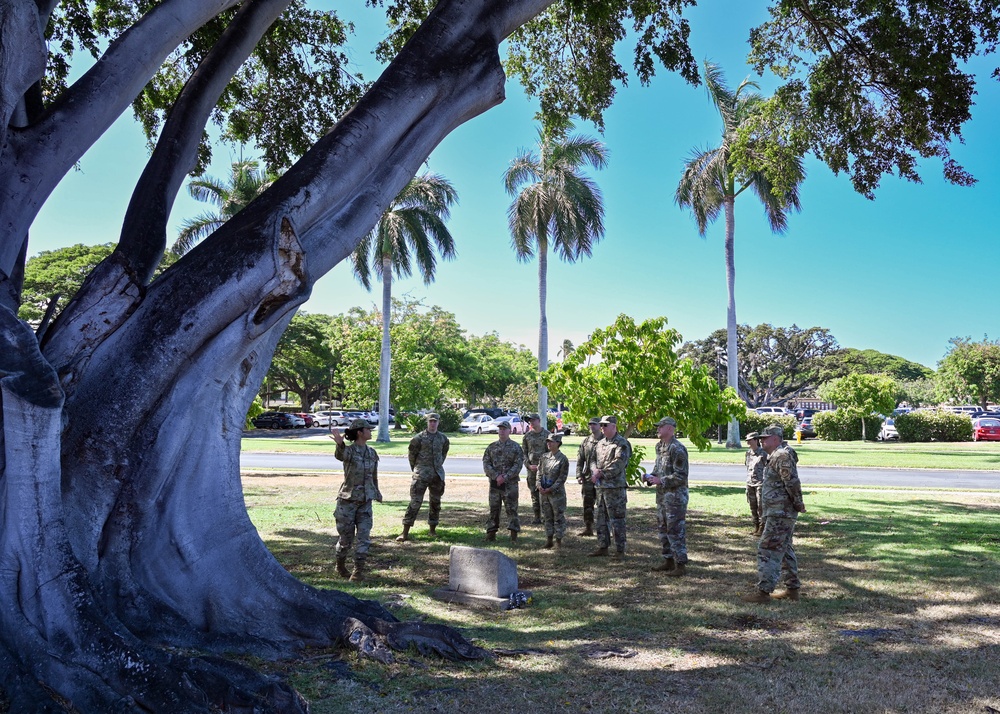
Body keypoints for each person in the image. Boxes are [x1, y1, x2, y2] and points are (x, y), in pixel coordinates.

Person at [742, 425, 807, 603]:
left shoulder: (781, 455)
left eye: (765, 438)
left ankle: (763, 592)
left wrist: (798, 503)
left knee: (767, 549)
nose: (761, 440)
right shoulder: (775, 455)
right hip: (776, 511)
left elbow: (792, 482)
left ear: (776, 439)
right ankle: (792, 590)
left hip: (781, 512)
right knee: (785, 549)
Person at [329, 418, 382, 582]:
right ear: (360, 432)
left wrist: (377, 492)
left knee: (364, 537)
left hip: (365, 502)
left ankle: (358, 571)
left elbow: (374, 476)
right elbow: (340, 456)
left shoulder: (372, 452)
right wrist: (339, 443)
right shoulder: (349, 451)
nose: (370, 432)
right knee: (346, 539)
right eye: (368, 429)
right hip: (348, 502)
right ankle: (340, 565)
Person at [646, 416, 689, 576]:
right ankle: (668, 560)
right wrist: (651, 477)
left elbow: (681, 476)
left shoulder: (677, 449)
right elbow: (659, 469)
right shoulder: (660, 446)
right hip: (662, 496)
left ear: (670, 428)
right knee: (663, 529)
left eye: (660, 426)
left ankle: (680, 565)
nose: (657, 429)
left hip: (675, 498)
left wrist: (661, 480)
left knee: (675, 530)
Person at [397, 413, 450, 542]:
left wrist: (437, 466)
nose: (433, 423)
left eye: (435, 421)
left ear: (438, 422)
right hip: (421, 475)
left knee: (435, 503)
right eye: (431, 421)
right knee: (415, 503)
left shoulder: (443, 439)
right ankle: (405, 532)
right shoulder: (418, 438)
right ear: (427, 422)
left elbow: (443, 454)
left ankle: (432, 530)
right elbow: (412, 456)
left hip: (437, 475)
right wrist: (417, 469)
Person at [588, 415, 632, 559]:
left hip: (615, 488)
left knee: (617, 520)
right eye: (601, 425)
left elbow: (619, 464)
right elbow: (593, 460)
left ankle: (620, 550)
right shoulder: (600, 443)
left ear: (614, 426)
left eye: (605, 425)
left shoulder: (621, 443)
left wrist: (601, 473)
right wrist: (594, 470)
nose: (602, 428)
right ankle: (603, 546)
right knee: (601, 519)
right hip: (601, 488)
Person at [482, 420, 524, 543]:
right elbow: (486, 463)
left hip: (510, 483)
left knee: (511, 508)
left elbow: (518, 465)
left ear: (509, 431)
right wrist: (496, 476)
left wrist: (505, 476)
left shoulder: (516, 447)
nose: (502, 431)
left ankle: (513, 535)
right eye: (500, 429)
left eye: (504, 429)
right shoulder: (492, 447)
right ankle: (491, 534)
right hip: (495, 483)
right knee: (494, 508)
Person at [537, 432, 570, 549]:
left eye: (551, 441)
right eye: (548, 441)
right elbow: (539, 473)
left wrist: (551, 488)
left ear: (558, 443)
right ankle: (549, 539)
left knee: (558, 517)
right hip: (544, 493)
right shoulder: (544, 457)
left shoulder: (562, 459)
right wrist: (539, 485)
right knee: (547, 516)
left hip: (556, 494)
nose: (548, 443)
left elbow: (562, 478)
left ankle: (559, 540)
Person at [575, 417, 602, 536]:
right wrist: (579, 475)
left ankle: (603, 529)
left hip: (602, 478)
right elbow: (580, 460)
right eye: (590, 424)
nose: (592, 426)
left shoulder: (605, 440)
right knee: (587, 503)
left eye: (594, 424)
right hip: (588, 478)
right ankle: (588, 527)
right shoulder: (586, 441)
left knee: (603, 504)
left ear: (600, 425)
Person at [521, 413, 550, 525]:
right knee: (534, 493)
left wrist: (542, 467)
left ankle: (546, 517)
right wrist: (528, 465)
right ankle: (537, 516)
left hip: (544, 471)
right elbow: (523, 453)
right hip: (531, 470)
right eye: (530, 421)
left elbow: (551, 453)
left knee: (544, 494)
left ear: (539, 420)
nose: (532, 423)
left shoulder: (547, 435)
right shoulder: (527, 436)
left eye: (533, 420)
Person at [744, 432, 767, 535]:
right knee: (752, 506)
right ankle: (756, 526)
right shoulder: (748, 453)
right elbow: (747, 466)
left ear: (756, 440)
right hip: (750, 482)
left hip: (760, 483)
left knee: (760, 506)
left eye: (750, 440)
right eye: (747, 440)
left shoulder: (763, 453)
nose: (748, 442)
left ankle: (762, 528)